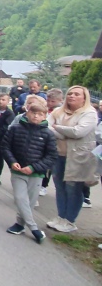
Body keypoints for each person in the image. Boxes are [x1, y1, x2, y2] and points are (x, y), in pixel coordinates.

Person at [1, 99, 57, 243]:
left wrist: (34, 167)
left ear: (45, 116)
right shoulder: (15, 129)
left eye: (40, 114)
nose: (36, 116)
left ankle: (20, 224)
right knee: (20, 198)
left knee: (30, 202)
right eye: (33, 113)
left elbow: (51, 156)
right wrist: (12, 161)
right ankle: (34, 229)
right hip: (18, 171)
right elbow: (5, 147)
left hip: (36, 174)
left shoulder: (48, 134)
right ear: (27, 113)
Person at [47, 85, 98, 233]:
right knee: (60, 187)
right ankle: (61, 216)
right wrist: (63, 133)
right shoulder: (58, 111)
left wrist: (57, 128)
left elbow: (78, 132)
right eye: (70, 93)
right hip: (59, 154)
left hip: (78, 157)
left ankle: (70, 221)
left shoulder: (89, 113)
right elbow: (46, 126)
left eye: (76, 94)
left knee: (73, 188)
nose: (72, 96)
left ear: (84, 98)